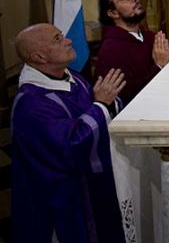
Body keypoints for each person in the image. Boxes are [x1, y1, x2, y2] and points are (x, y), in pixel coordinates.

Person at [11, 23, 126, 242]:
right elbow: (71, 146)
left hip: (93, 186)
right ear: (39, 56)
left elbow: (97, 104)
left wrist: (106, 103)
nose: (69, 40)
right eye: (57, 39)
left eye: (62, 35)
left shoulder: (70, 77)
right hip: (63, 198)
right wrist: (101, 105)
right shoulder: (31, 104)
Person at [96, 0, 169, 104]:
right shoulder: (111, 50)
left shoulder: (151, 37)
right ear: (113, 12)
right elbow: (128, 96)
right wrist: (159, 66)